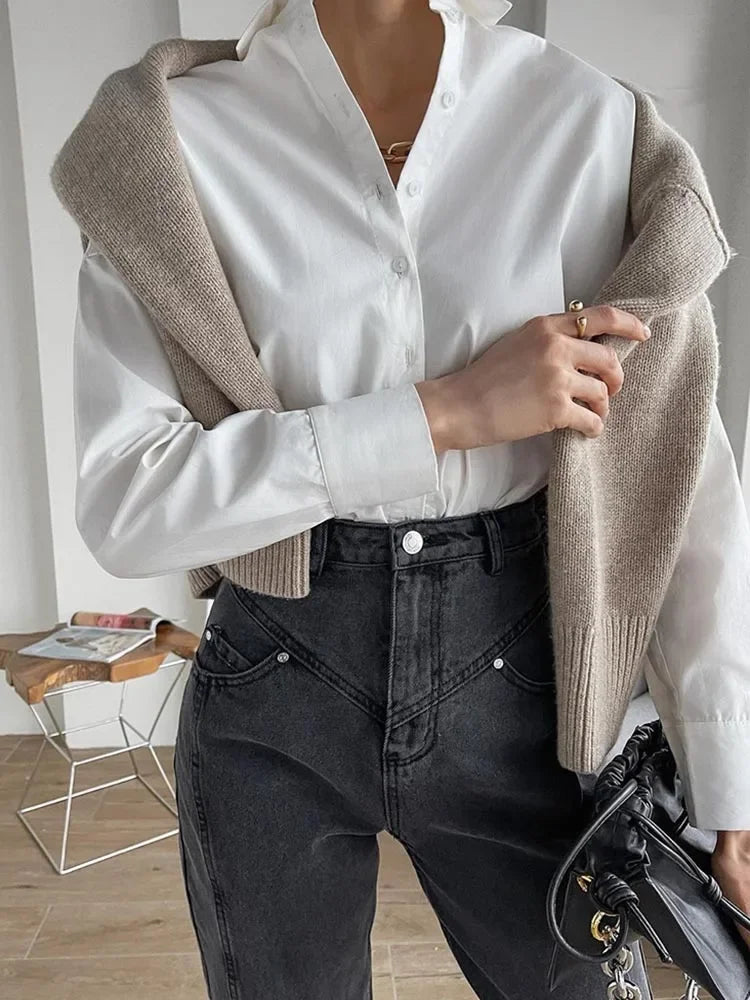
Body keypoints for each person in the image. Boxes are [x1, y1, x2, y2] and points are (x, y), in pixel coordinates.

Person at [66, 0, 750, 996]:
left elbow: (679, 481)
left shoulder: (587, 122)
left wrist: (732, 782)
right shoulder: (168, 147)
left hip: (526, 681)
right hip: (276, 679)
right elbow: (126, 500)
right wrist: (443, 413)